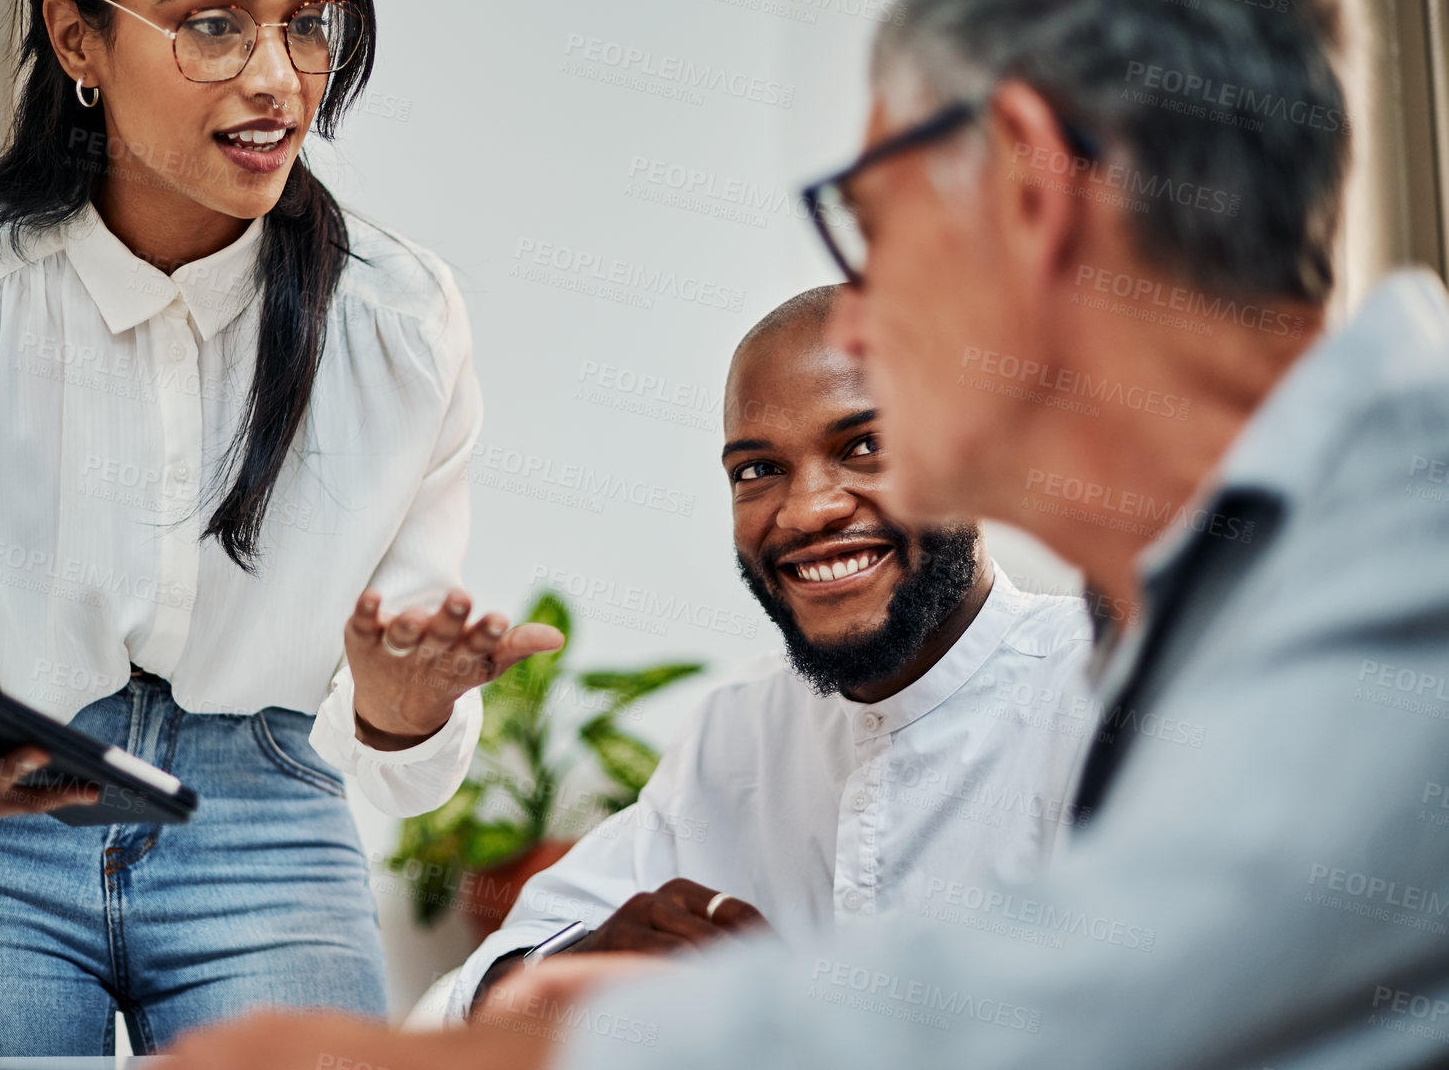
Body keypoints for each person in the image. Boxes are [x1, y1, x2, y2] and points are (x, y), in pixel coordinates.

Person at [162, 0, 1449, 1067]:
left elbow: (1116, 1005)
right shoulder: (1192, 613)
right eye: (758, 468)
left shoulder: (1408, 551)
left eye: (869, 230)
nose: (870, 321)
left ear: (1025, 184)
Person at [0, 0, 561, 1057]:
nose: (275, 78)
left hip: (263, 818)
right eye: (212, 23)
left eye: (305, 23)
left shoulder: (399, 325)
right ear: (77, 40)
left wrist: (402, 713)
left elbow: (395, 739)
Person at [448, 287, 1095, 1019]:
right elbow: (476, 996)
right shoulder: (740, 727)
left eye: (866, 446)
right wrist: (582, 963)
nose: (806, 510)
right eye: (757, 470)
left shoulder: (1109, 689)